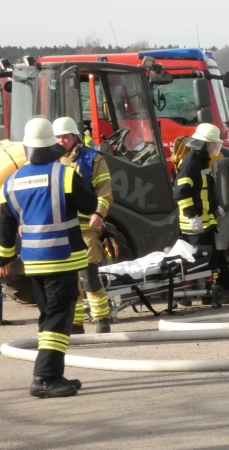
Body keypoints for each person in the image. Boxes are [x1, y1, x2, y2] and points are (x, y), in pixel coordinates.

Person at [0, 118, 97, 398]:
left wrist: (4, 260)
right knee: (58, 317)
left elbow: (5, 231)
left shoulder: (11, 182)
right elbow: (89, 205)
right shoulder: (64, 175)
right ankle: (43, 379)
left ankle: (54, 373)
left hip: (32, 262)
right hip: (63, 258)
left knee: (47, 316)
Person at [54, 117, 114, 334]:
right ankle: (76, 322)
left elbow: (105, 190)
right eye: (58, 137)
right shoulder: (50, 161)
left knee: (88, 275)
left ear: (75, 137)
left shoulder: (92, 158)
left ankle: (102, 319)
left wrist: (99, 213)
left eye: (65, 137)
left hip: (87, 227)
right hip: (62, 228)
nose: (61, 141)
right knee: (70, 279)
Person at [173, 123, 225, 306]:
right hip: (194, 222)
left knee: (210, 258)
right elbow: (181, 193)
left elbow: (206, 189)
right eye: (212, 144)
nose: (214, 148)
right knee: (195, 260)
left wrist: (215, 206)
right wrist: (192, 216)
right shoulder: (190, 163)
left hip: (206, 219)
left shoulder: (202, 161)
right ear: (203, 144)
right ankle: (183, 293)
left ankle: (209, 293)